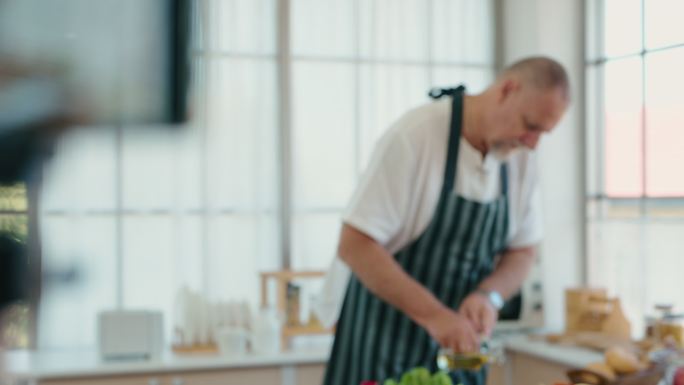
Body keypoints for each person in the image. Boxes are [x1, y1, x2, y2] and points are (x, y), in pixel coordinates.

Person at [320, 56, 570, 385]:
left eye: (543, 134)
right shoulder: (416, 136)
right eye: (530, 125)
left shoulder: (520, 160)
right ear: (507, 90)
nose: (533, 143)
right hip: (380, 342)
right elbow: (354, 245)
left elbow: (523, 252)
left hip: (461, 354)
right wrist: (436, 316)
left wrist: (488, 296)